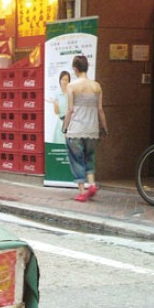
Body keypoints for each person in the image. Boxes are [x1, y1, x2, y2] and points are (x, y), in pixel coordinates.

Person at [62, 55, 108, 202]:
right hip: (92, 130)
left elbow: (70, 110)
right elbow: (100, 110)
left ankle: (82, 192)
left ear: (75, 69)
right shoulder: (97, 86)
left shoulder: (72, 86)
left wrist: (65, 128)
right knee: (89, 157)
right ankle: (92, 184)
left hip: (76, 129)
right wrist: (104, 128)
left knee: (77, 160)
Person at [49, 70, 70, 145]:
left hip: (70, 125)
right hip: (60, 124)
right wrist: (55, 104)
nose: (64, 82)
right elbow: (56, 112)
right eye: (63, 79)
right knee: (58, 147)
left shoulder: (71, 94)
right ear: (60, 81)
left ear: (69, 82)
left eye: (66, 80)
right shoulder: (57, 95)